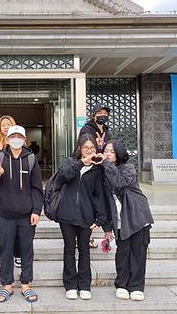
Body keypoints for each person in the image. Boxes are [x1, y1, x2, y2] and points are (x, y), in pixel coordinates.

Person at [0, 125, 43, 303]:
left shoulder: (31, 159)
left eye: (19, 136)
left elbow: (36, 187)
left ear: (24, 139)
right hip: (4, 213)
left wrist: (36, 210)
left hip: (26, 214)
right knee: (6, 250)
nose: (16, 139)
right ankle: (7, 285)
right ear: (7, 139)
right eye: (13, 136)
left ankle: (26, 284)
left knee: (27, 250)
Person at [57, 133, 113, 300]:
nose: (89, 151)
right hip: (66, 215)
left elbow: (99, 195)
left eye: (92, 148)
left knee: (84, 251)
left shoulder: (97, 170)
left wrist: (101, 219)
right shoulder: (69, 162)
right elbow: (63, 177)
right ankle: (70, 284)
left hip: (86, 216)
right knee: (68, 250)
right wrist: (82, 163)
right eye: (85, 148)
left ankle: (84, 285)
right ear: (79, 148)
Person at [97, 140, 154, 302]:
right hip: (120, 220)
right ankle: (121, 285)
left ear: (119, 153)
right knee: (122, 253)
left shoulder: (128, 168)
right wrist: (107, 227)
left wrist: (106, 164)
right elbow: (104, 201)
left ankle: (136, 286)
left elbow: (120, 182)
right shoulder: (104, 171)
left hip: (137, 218)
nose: (107, 154)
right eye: (106, 151)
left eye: (111, 151)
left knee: (138, 253)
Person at [78, 102, 112, 248]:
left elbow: (109, 146)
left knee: (101, 199)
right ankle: (85, 236)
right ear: (93, 115)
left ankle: (106, 229)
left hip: (102, 167)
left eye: (105, 114)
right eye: (100, 113)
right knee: (89, 201)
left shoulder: (106, 130)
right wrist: (97, 146)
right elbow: (85, 146)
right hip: (90, 168)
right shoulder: (87, 129)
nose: (103, 116)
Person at [0, 115, 22, 269]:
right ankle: (2, 255)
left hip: (17, 190)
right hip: (1, 191)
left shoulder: (20, 145)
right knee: (2, 227)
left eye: (8, 124)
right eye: (3, 125)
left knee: (18, 227)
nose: (5, 127)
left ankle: (18, 254)